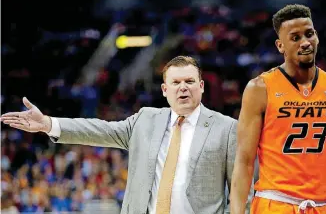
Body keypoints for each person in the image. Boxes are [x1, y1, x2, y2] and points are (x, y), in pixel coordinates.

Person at [1, 55, 254, 214]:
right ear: (165, 90)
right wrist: (48, 123)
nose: (183, 88)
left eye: (189, 81)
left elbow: (242, 191)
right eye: (176, 83)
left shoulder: (227, 128)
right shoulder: (145, 120)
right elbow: (100, 130)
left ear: (201, 86)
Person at [230, 4, 326, 214]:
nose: (305, 42)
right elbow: (244, 161)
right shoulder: (260, 89)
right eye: (295, 37)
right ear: (280, 46)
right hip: (274, 205)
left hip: (321, 207)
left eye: (310, 34)